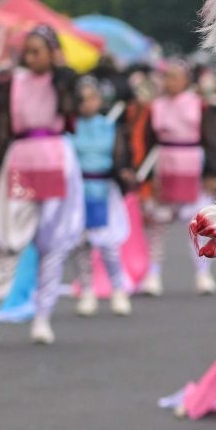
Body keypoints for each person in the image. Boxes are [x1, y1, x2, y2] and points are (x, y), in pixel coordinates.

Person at [0, 26, 85, 345]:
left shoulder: (63, 82)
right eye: (26, 51)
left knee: (54, 243)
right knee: (9, 240)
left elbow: (73, 105)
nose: (30, 58)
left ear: (52, 53)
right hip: (21, 162)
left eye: (37, 51)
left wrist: (60, 69)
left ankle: (43, 317)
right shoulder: (11, 82)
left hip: (56, 159)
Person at [138, 60, 216, 296]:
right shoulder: (155, 107)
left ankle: (203, 273)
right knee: (158, 224)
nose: (168, 82)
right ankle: (153, 273)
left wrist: (213, 173)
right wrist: (146, 178)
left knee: (197, 224)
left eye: (174, 77)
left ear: (186, 80)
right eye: (166, 77)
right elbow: (148, 142)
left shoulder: (199, 106)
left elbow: (213, 141)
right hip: (165, 166)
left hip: (194, 166)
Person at [71, 77, 135, 317]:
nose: (85, 103)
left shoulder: (109, 127)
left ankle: (118, 289)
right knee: (81, 245)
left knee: (108, 244)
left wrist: (124, 173)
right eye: (81, 99)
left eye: (89, 98)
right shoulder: (70, 127)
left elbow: (121, 158)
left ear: (98, 100)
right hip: (78, 193)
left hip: (103, 190)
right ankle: (87, 290)